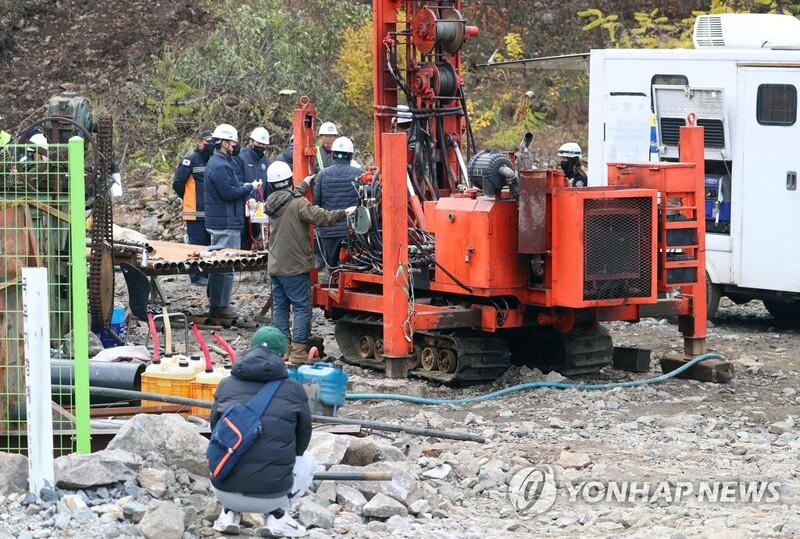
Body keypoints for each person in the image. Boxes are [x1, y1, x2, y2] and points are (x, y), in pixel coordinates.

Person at [210, 326, 314, 537]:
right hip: (273, 495)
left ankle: (229, 513)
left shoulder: (225, 385)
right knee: (308, 460)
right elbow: (302, 442)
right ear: (283, 356)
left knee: (226, 446)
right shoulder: (294, 389)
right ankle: (278, 516)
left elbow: (215, 430)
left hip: (224, 491)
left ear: (251, 349)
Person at [264, 161, 355, 363]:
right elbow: (321, 217)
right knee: (302, 307)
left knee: (280, 307)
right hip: (295, 267)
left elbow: (288, 196)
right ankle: (298, 353)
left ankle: (282, 350)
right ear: (288, 180)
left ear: (271, 185)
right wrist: (345, 212)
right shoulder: (298, 204)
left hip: (276, 266)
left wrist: (304, 184)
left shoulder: (271, 202)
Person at [204, 123, 262, 320]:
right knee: (226, 266)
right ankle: (220, 306)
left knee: (218, 265)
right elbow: (229, 193)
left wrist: (246, 193)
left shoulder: (220, 162)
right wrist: (249, 187)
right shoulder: (220, 165)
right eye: (233, 143)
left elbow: (231, 187)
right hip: (225, 222)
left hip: (223, 219)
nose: (235, 146)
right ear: (224, 143)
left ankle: (216, 302)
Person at [312, 136, 361, 269]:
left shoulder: (322, 175)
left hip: (329, 231)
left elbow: (316, 202)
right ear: (350, 156)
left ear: (333, 154)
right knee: (353, 266)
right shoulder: (359, 174)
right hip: (352, 231)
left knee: (332, 268)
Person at [172, 129, 214, 286]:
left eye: (212, 142)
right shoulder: (190, 160)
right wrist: (188, 197)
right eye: (207, 142)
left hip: (210, 211)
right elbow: (177, 183)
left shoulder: (213, 160)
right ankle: (195, 276)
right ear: (200, 142)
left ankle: (207, 273)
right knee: (196, 244)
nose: (210, 145)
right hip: (194, 212)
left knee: (209, 245)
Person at [238, 127, 271, 250]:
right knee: (242, 240)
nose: (260, 146)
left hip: (258, 209)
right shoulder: (240, 157)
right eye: (258, 143)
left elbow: (268, 185)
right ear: (251, 141)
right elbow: (237, 181)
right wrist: (248, 198)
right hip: (241, 208)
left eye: (263, 144)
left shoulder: (266, 161)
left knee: (256, 238)